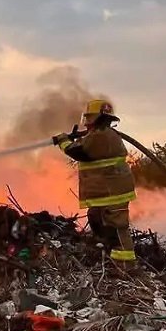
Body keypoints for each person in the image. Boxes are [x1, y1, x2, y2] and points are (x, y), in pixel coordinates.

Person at [53, 100, 138, 268]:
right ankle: (107, 257)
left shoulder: (101, 135)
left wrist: (64, 141)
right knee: (96, 221)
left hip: (113, 193)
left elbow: (80, 152)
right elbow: (86, 147)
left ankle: (127, 266)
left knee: (117, 229)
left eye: (90, 116)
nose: (88, 120)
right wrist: (73, 139)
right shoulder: (98, 135)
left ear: (98, 117)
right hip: (105, 193)